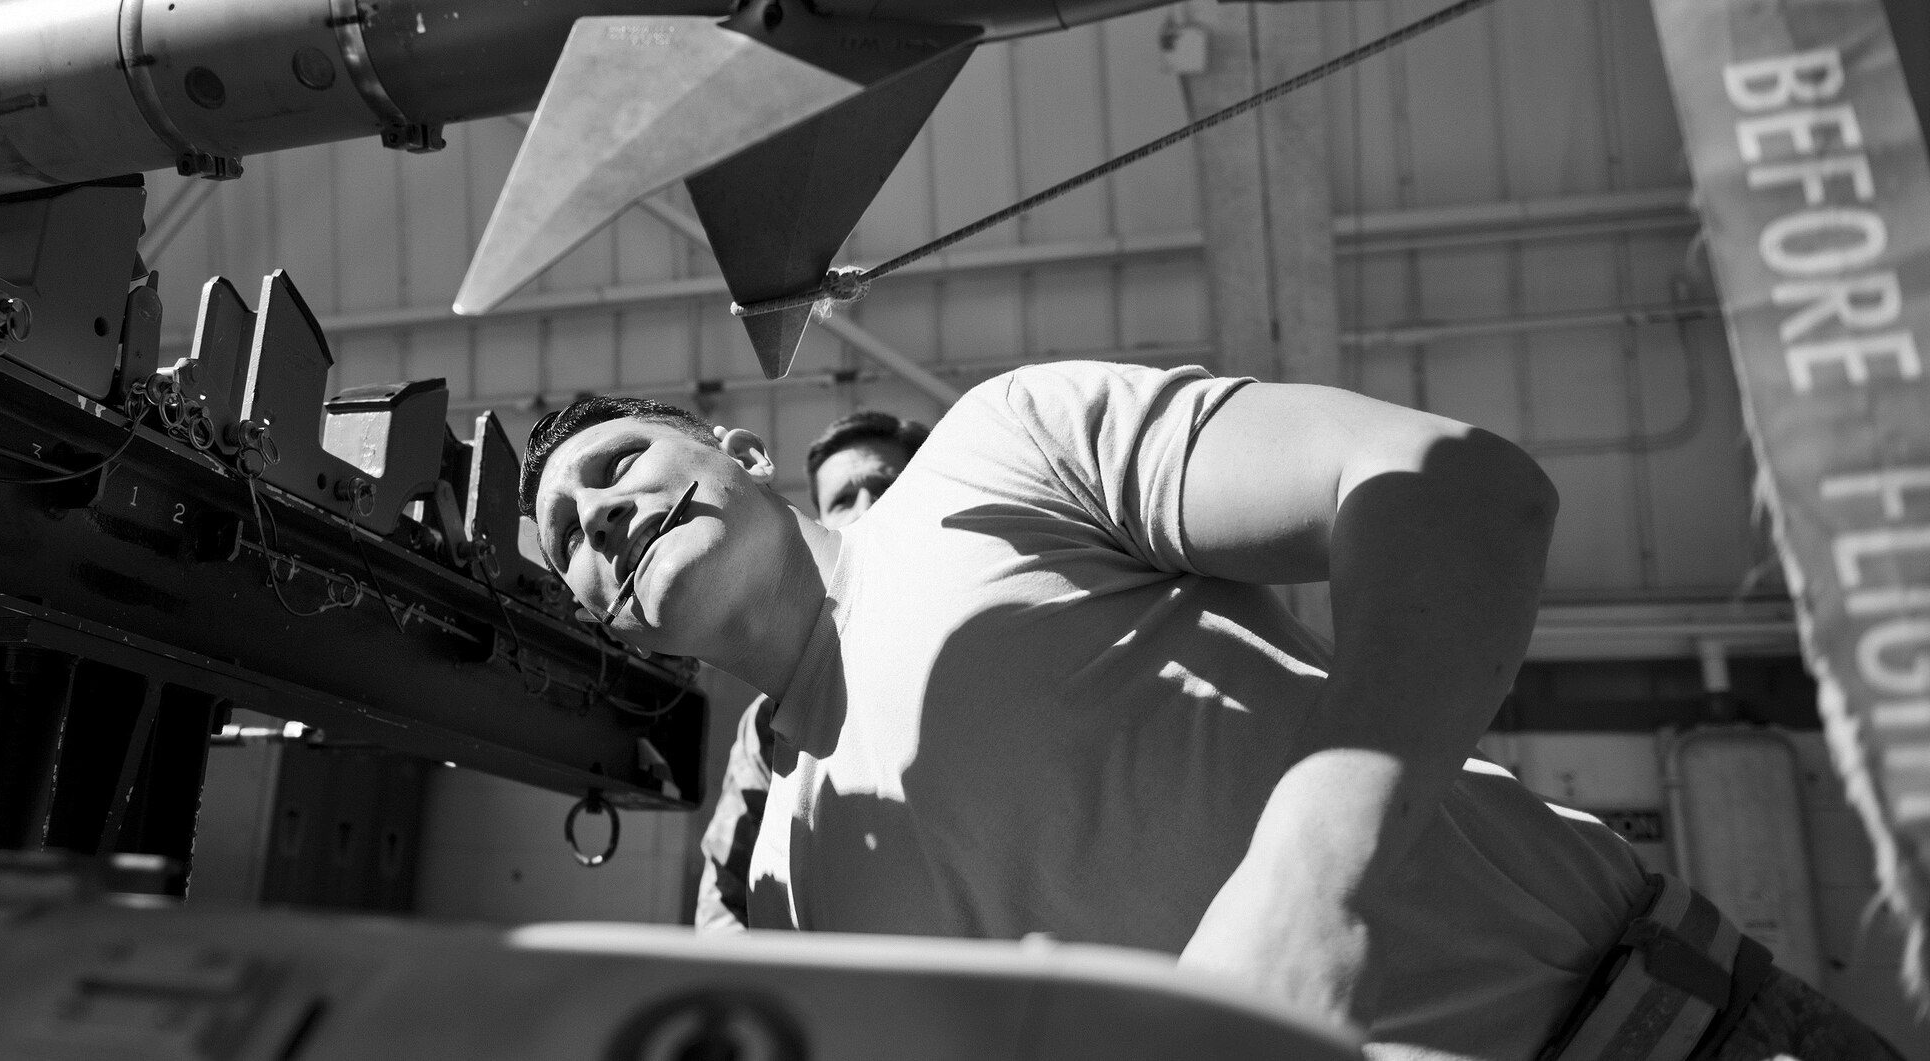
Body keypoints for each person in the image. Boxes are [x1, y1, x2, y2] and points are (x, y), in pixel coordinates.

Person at [520, 361, 1903, 1060]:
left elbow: (1454, 486)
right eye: (570, 538)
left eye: (616, 462)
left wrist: (1307, 893)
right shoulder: (776, 888)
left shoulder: (996, 453)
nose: (598, 515)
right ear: (596, 618)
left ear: (742, 450)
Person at [693, 410, 931, 931]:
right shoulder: (766, 726)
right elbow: (725, 900)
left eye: (885, 485)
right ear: (822, 518)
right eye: (843, 499)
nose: (867, 508)